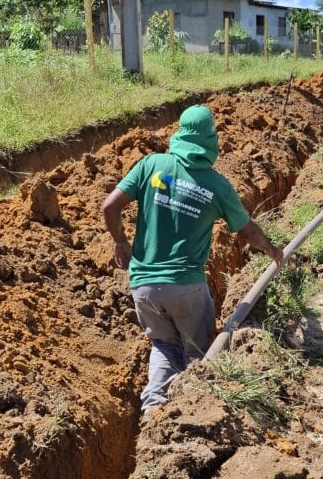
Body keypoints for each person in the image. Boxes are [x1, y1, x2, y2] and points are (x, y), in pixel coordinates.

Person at [102, 104, 284, 414]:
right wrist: (274, 252)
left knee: (163, 346)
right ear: (210, 140)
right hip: (187, 288)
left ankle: (154, 415)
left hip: (143, 287)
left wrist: (121, 241)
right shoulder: (217, 186)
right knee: (197, 357)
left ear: (180, 134)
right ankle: (189, 420)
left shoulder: (150, 165)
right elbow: (247, 230)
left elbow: (109, 207)